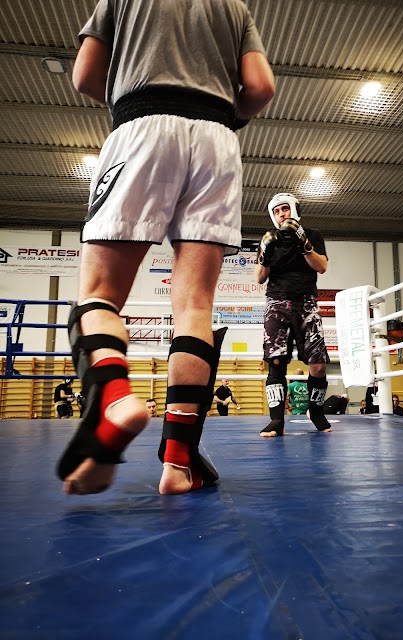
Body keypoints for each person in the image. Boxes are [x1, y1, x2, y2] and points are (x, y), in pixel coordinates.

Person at [55, 0, 275, 496]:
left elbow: (85, 76)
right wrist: (223, 115)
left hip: (143, 123)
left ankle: (114, 400)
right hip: (218, 141)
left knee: (99, 294)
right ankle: (177, 465)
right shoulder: (235, 7)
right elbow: (261, 87)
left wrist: (132, 99)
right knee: (195, 306)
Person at [254, 193, 331, 437]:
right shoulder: (268, 239)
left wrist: (303, 242)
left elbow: (322, 266)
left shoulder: (313, 234)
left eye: (285, 209)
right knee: (276, 362)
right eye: (276, 211)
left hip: (306, 303)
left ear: (295, 210)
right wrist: (265, 251)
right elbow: (259, 277)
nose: (281, 214)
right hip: (276, 302)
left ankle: (316, 412)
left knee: (317, 365)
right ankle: (277, 420)